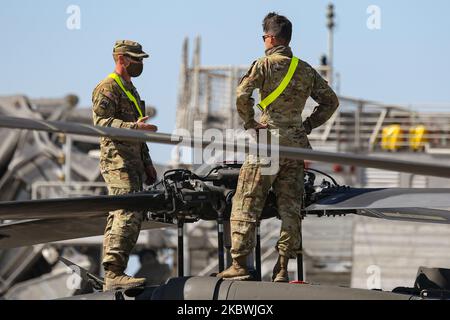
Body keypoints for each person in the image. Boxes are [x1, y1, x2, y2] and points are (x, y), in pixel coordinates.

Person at [217, 13, 339, 282]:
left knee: (246, 200)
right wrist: (306, 126)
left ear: (271, 38)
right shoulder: (305, 69)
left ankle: (238, 264)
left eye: (263, 37)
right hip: (296, 147)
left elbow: (241, 94)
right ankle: (282, 268)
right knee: (291, 207)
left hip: (267, 143)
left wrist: (250, 122)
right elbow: (331, 102)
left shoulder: (264, 65)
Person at [92, 40, 158, 291]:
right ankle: (114, 273)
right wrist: (134, 127)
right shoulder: (108, 87)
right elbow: (102, 122)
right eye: (135, 59)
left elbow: (137, 129)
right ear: (121, 59)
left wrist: (147, 163)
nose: (140, 63)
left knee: (129, 213)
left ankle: (114, 272)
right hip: (116, 161)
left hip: (133, 162)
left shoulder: (130, 88)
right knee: (126, 211)